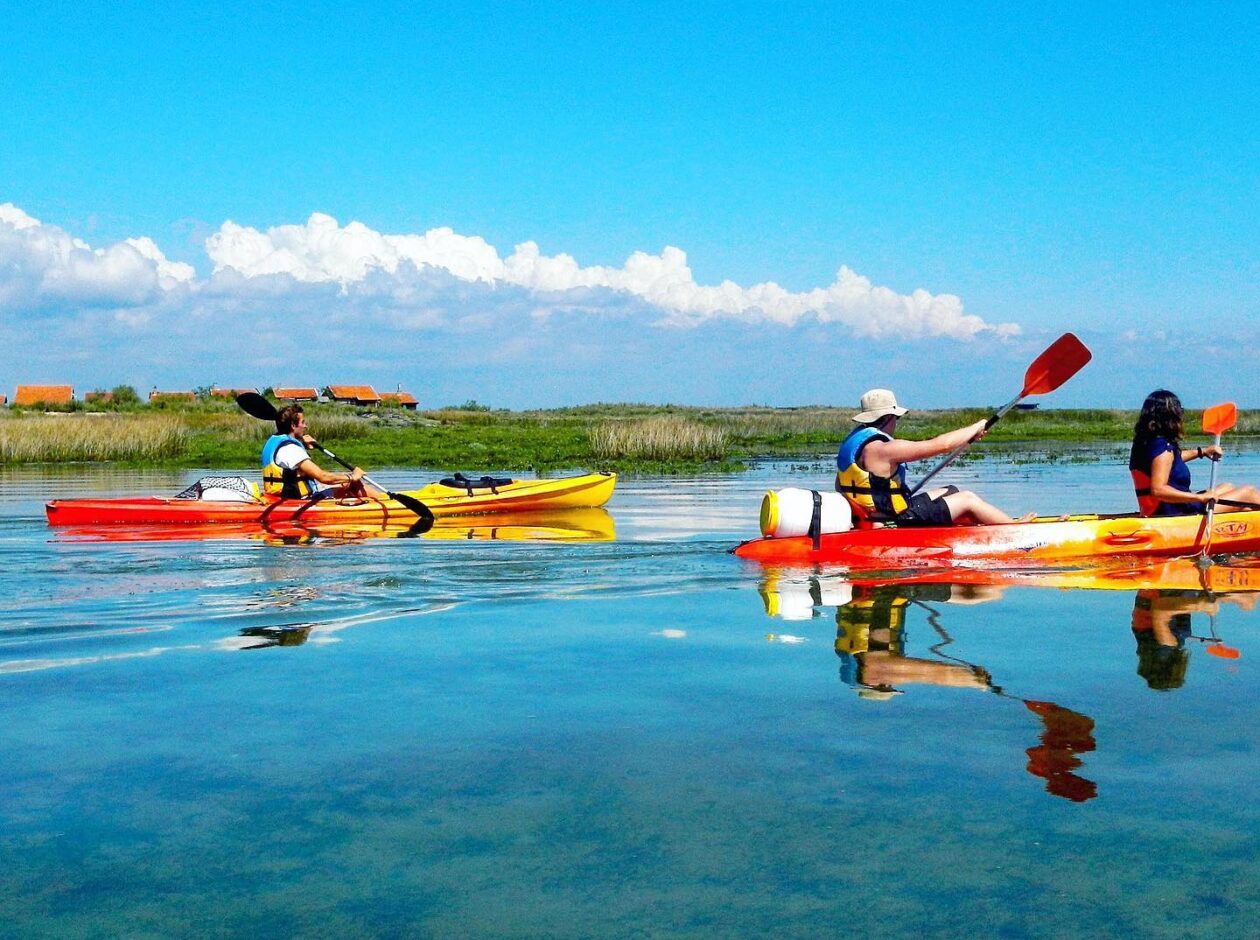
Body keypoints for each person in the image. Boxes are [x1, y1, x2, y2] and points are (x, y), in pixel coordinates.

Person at [835, 388, 1034, 526]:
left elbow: (841, 486)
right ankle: (1015, 528)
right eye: (896, 418)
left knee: (950, 490)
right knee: (967, 499)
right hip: (894, 522)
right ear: (888, 418)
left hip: (874, 517)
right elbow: (942, 445)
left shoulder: (854, 444)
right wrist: (976, 426)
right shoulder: (885, 449)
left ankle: (976, 527)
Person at [1129, 389, 1260, 516]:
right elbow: (1158, 490)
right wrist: (1200, 498)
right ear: (1170, 417)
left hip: (1164, 509)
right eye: (1180, 411)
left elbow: (1170, 461)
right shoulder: (1163, 448)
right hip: (1176, 512)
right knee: (1249, 493)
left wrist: (1201, 452)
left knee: (1227, 487)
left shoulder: (1145, 444)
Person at [261, 404, 374, 500]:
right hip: (300, 500)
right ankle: (382, 505)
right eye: (303, 422)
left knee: (344, 484)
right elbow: (323, 477)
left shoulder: (277, 441)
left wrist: (301, 442)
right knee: (352, 484)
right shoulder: (291, 449)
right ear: (293, 425)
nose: (305, 426)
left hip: (282, 497)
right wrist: (352, 477)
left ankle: (378, 501)